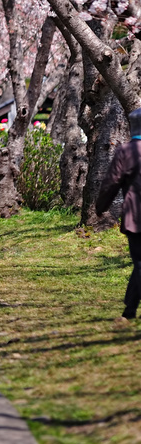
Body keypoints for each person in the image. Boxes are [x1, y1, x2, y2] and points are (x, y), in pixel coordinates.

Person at [96, 107, 141, 321]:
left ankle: (129, 311)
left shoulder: (126, 151)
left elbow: (111, 183)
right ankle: (129, 311)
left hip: (136, 217)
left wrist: (100, 207)